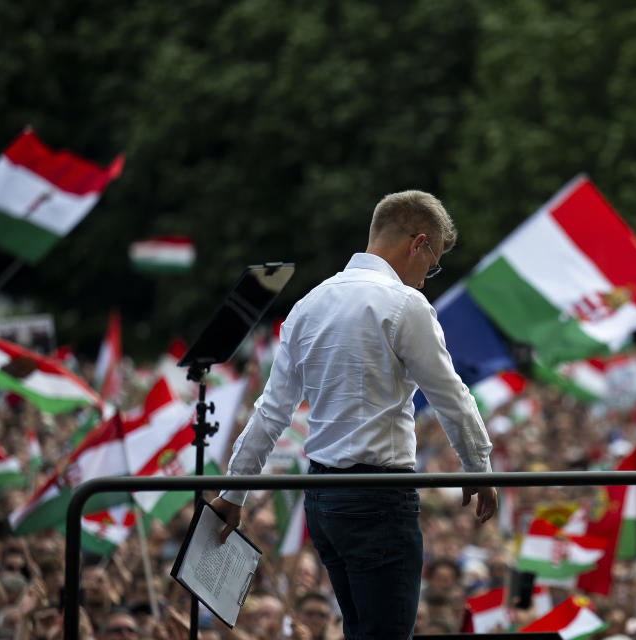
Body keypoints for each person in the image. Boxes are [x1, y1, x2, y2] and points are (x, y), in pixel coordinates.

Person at [211, 190, 497, 639]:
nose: (427, 277)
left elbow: (271, 412)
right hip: (378, 499)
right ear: (417, 243)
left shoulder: (308, 305)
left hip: (323, 499)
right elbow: (452, 396)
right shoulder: (406, 305)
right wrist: (480, 468)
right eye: (433, 262)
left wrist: (234, 492)